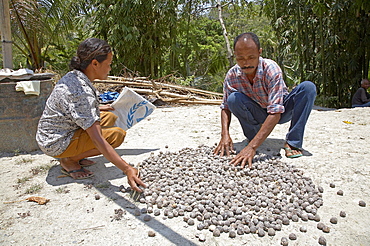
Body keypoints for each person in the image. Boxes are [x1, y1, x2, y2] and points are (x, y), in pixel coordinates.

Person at [36, 38, 145, 192]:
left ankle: (76, 154)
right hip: (55, 142)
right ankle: (69, 160)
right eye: (108, 64)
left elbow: (75, 107)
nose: (109, 68)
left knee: (110, 116)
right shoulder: (81, 92)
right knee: (116, 135)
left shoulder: (75, 77)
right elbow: (98, 139)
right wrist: (127, 169)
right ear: (95, 64)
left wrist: (97, 107)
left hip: (56, 132)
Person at [214, 32, 317, 168]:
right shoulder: (232, 75)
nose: (246, 63)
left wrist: (252, 148)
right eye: (241, 58)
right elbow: (225, 106)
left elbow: (275, 113)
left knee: (308, 88)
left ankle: (293, 142)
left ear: (259, 52)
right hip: (258, 111)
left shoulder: (270, 69)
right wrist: (224, 135)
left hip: (282, 109)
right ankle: (253, 136)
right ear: (235, 55)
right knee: (233, 99)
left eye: (251, 57)